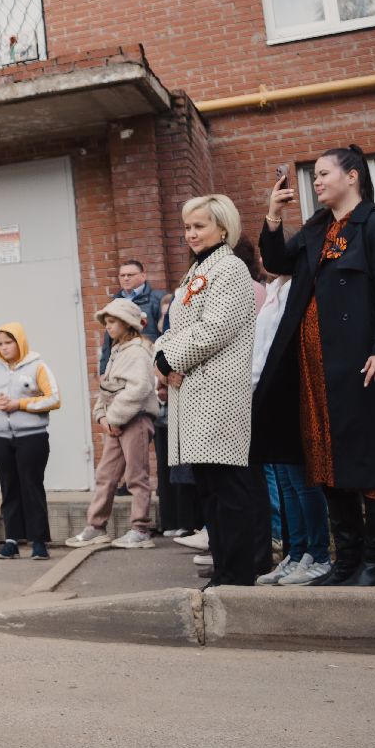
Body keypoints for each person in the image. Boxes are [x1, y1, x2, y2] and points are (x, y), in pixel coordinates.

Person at [258, 146, 375, 586]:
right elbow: (278, 263)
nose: (315, 181)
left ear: (352, 176)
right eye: (313, 175)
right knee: (327, 462)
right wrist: (273, 218)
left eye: (323, 174)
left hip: (365, 366)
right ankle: (348, 561)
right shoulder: (319, 228)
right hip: (318, 372)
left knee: (372, 460)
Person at [153, 194, 266, 588]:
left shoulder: (230, 268)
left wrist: (170, 360)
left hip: (218, 393)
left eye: (199, 226)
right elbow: (169, 330)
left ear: (223, 227)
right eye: (187, 227)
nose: (191, 234)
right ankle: (223, 570)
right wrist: (161, 357)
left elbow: (215, 328)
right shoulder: (196, 271)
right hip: (193, 394)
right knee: (210, 491)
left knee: (228, 488)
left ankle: (237, 574)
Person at [251, 271, 331, 585]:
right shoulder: (273, 290)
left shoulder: (298, 288)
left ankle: (319, 553)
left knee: (301, 479)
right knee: (284, 480)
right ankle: (295, 552)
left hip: (290, 389)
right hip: (264, 388)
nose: (265, 259)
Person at [68, 300, 160, 549]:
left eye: (112, 322)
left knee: (136, 476)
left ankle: (140, 529)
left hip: (136, 420)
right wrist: (102, 416)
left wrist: (115, 417)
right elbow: (107, 388)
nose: (107, 327)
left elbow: (140, 387)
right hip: (117, 423)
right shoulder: (117, 351)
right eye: (106, 323)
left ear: (126, 323)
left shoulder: (138, 351)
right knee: (105, 474)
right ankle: (96, 527)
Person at [0, 322, 60, 559]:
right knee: (9, 488)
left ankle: (38, 541)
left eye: (8, 342)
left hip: (32, 438)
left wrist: (20, 404)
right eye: (0, 344)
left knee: (32, 487)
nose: (4, 348)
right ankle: (12, 540)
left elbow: (54, 399)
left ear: (20, 342)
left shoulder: (38, 366)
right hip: (0, 439)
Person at [98, 259, 164, 373]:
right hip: (121, 366)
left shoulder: (158, 299)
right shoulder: (114, 303)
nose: (126, 278)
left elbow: (166, 335)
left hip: (149, 365)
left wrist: (163, 367)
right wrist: (103, 371)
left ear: (143, 276)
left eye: (130, 275)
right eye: (122, 275)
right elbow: (108, 340)